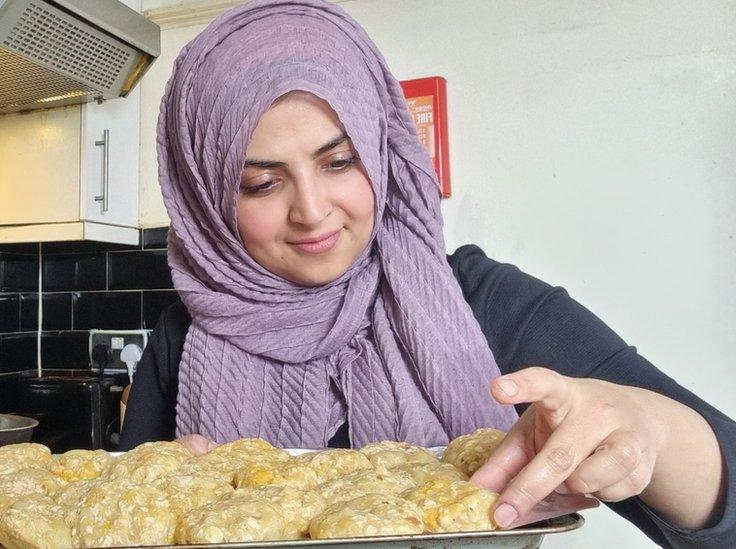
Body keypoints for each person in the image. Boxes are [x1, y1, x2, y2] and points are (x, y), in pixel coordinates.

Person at [119, 0, 735, 546]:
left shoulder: (487, 303)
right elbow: (115, 521)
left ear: (383, 152)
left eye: (340, 161)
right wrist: (161, 504)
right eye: (261, 182)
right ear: (204, 197)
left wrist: (654, 434)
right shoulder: (185, 335)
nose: (311, 211)